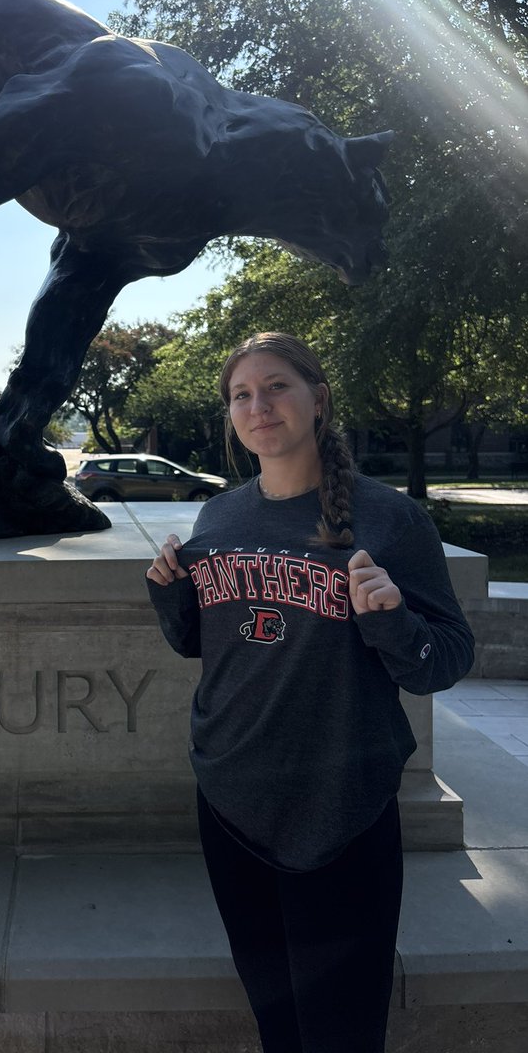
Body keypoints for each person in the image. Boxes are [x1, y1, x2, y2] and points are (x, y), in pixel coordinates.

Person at [145, 332, 474, 1053]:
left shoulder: (391, 520)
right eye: (241, 395)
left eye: (276, 387)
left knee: (341, 1034)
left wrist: (392, 620)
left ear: (318, 399)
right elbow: (202, 646)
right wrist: (170, 594)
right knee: (277, 1025)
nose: (258, 406)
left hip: (340, 806)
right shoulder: (219, 517)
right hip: (231, 798)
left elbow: (445, 659)